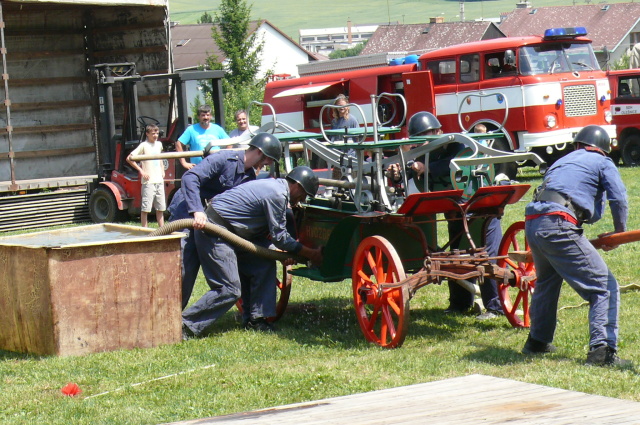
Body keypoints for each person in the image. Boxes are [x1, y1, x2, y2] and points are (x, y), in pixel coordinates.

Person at [522, 125, 631, 367]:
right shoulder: (602, 161)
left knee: (547, 281)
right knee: (604, 286)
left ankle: (537, 342)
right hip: (558, 222)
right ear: (602, 149)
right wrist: (620, 231)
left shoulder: (562, 161)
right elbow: (618, 198)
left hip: (533, 221)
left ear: (578, 145)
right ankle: (602, 353)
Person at [182, 166, 323, 338]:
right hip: (215, 231)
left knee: (263, 264)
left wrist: (282, 252)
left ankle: (256, 320)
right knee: (229, 288)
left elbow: (263, 233)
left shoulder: (275, 187)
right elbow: (281, 238)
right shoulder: (277, 195)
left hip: (235, 232)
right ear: (298, 187)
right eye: (304, 195)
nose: (302, 199)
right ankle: (184, 325)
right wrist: (311, 254)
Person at [389, 112, 504, 319]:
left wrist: (427, 167)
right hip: (455, 210)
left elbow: (454, 162)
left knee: (487, 255)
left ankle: (495, 306)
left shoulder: (457, 145)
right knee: (456, 254)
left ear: (438, 131)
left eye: (427, 135)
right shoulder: (423, 153)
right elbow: (412, 170)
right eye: (419, 137)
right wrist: (398, 174)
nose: (423, 141)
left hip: (480, 209)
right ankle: (460, 304)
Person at [168, 133, 283, 309]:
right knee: (185, 267)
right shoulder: (223, 159)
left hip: (212, 221)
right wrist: (197, 210)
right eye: (268, 159)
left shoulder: (249, 177)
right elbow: (190, 178)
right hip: (188, 212)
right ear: (260, 152)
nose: (267, 164)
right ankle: (169, 315)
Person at [126, 124, 166, 227]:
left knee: (160, 208)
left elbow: (160, 158)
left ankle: (162, 230)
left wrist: (162, 170)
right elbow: (129, 158)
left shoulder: (159, 144)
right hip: (148, 182)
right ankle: (145, 230)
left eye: (157, 133)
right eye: (153, 133)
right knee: (146, 208)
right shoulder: (143, 145)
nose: (155, 135)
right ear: (147, 134)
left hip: (159, 180)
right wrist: (141, 171)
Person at [175, 104, 229, 170]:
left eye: (208, 115)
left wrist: (225, 159)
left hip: (216, 167)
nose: (205, 117)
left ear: (211, 116)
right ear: (198, 117)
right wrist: (184, 163)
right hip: (198, 168)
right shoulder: (191, 129)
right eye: (203, 115)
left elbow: (229, 143)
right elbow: (178, 144)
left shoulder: (217, 129)